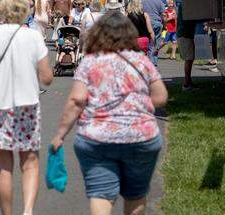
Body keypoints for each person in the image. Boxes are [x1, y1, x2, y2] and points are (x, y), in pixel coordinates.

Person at [51, 12, 168, 215]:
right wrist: (137, 106)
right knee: (136, 194)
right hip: (140, 136)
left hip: (97, 138)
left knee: (101, 194)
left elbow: (77, 100)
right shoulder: (141, 61)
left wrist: (60, 135)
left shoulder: (90, 62)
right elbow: (160, 96)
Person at [0, 0, 52, 215]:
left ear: (1, 11)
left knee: (3, 167)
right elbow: (47, 77)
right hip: (26, 104)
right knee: (30, 161)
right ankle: (27, 211)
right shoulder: (33, 36)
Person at [176, 0, 199, 90]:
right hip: (185, 34)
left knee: (190, 58)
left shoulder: (184, 4)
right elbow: (191, 18)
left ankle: (188, 82)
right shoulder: (186, 5)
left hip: (185, 33)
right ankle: (186, 84)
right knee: (189, 59)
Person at [140, 0, 166, 65]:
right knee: (154, 43)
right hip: (156, 23)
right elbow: (163, 15)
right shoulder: (159, 1)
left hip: (144, 23)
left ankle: (146, 62)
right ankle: (153, 62)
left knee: (145, 43)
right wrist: (164, 26)